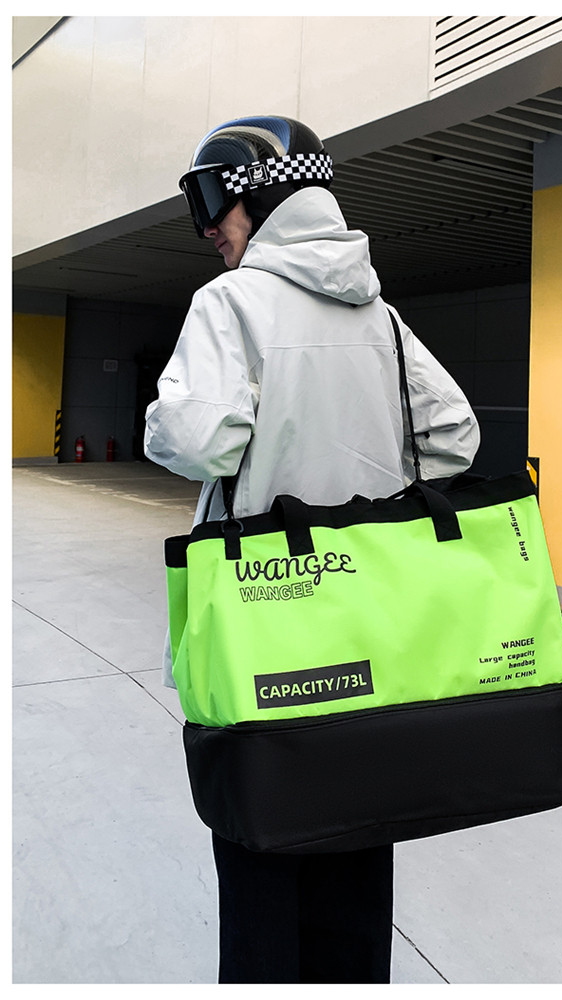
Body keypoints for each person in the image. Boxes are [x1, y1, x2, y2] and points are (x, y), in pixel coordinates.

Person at [144, 115, 479, 984]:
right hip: (372, 624)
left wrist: (169, 420)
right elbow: (454, 436)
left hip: (266, 622)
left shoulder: (229, 305)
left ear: (263, 198)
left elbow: (197, 439)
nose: (207, 228)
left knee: (261, 848)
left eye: (211, 201)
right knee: (358, 845)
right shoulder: (383, 318)